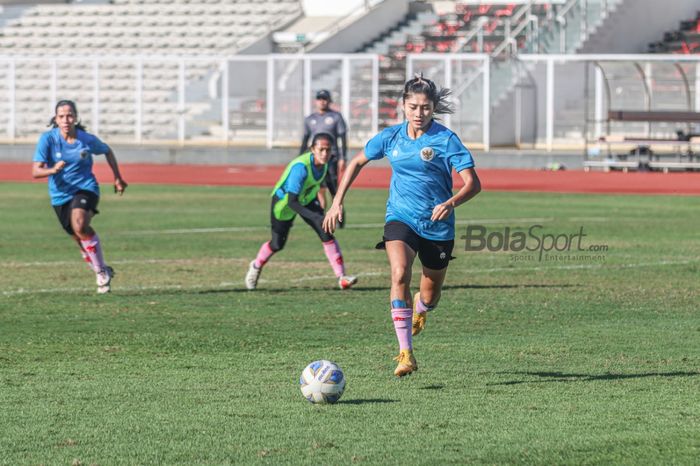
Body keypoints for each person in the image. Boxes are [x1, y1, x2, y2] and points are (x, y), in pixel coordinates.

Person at [323, 75, 481, 377]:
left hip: (438, 226)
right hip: (400, 217)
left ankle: (421, 312)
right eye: (413, 107)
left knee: (430, 296)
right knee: (398, 273)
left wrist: (450, 203)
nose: (419, 113)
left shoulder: (445, 140)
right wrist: (337, 201)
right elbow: (356, 162)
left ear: (433, 108)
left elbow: (473, 184)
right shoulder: (391, 137)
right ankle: (406, 353)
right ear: (403, 106)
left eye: (425, 107)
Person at [32, 100, 128, 294]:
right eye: (61, 116)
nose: (66, 120)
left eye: (69, 115)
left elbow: (107, 150)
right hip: (60, 196)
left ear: (75, 118)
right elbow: (36, 171)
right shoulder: (48, 139)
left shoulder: (86, 140)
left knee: (79, 224)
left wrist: (117, 177)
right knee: (77, 236)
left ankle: (101, 273)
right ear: (56, 119)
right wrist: (53, 169)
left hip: (86, 188)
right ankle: (101, 267)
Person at [246, 132, 357, 291]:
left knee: (326, 233)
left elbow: (331, 185)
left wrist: (336, 204)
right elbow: (292, 201)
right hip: (284, 204)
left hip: (307, 199)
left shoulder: (325, 163)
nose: (325, 153)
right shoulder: (301, 168)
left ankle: (342, 278)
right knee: (277, 244)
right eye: (321, 149)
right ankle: (256, 266)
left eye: (328, 150)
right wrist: (316, 216)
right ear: (312, 149)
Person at [299, 89, 348, 225]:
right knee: (319, 188)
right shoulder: (310, 119)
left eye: (325, 98)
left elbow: (343, 138)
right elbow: (305, 139)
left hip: (331, 158)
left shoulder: (336, 117)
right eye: (320, 98)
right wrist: (299, 157)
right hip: (315, 159)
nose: (322, 101)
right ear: (316, 101)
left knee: (334, 188)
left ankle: (339, 214)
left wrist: (343, 157)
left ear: (329, 101)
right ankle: (321, 216)